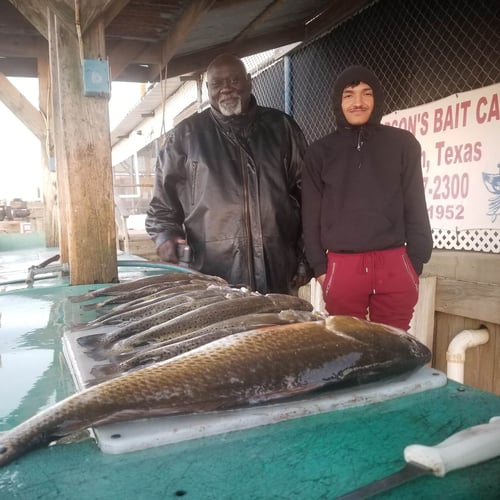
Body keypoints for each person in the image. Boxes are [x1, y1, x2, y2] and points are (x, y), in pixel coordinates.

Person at [145, 53, 311, 294]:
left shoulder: (281, 127)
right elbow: (161, 208)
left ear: (249, 81)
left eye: (234, 81)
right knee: (228, 331)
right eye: (217, 84)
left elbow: (310, 196)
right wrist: (166, 237)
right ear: (207, 88)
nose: (226, 89)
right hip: (213, 276)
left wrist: (306, 257)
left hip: (279, 270)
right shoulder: (185, 136)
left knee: (280, 331)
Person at [301, 65, 432, 331]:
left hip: (396, 263)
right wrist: (321, 268)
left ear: (377, 98)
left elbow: (415, 202)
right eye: (348, 95)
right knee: (348, 344)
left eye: (366, 93)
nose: (358, 102)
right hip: (343, 266)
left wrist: (415, 260)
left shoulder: (403, 144)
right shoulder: (320, 152)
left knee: (395, 344)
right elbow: (310, 214)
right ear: (338, 101)